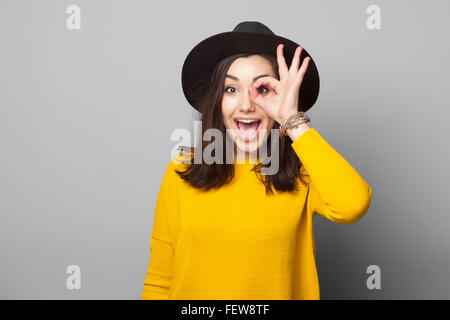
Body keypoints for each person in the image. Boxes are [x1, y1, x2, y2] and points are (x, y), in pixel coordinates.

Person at [141, 21, 372, 300]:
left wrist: (291, 120)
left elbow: (353, 204)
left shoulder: (304, 172)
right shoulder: (181, 169)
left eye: (262, 90)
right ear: (216, 100)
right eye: (231, 89)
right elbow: (159, 281)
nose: (247, 105)